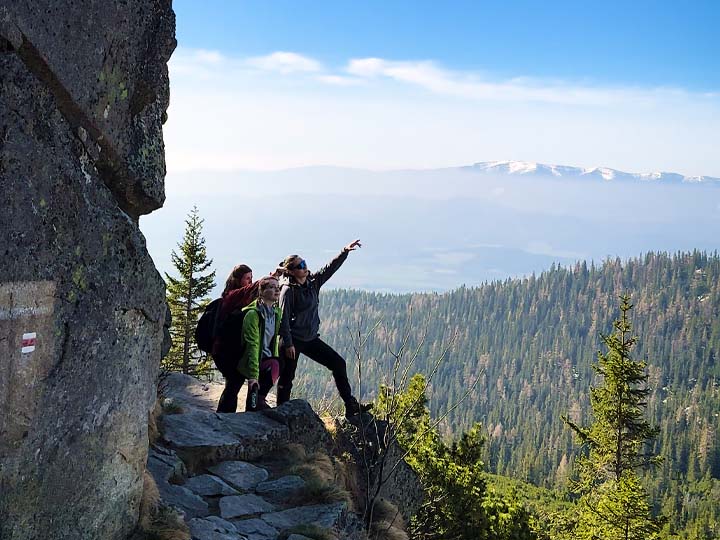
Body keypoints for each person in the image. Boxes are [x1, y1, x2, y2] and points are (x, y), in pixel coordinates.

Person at [277, 239, 371, 418]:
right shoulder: (287, 290)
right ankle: (281, 414)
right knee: (287, 378)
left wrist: (344, 251)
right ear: (291, 271)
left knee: (338, 363)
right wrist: (288, 344)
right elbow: (283, 320)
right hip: (293, 340)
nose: (305, 267)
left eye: (304, 263)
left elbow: (330, 268)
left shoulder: (313, 282)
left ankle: (350, 405)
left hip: (310, 338)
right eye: (300, 265)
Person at [216, 276, 282, 412]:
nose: (276, 290)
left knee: (276, 365)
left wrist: (273, 358)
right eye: (271, 287)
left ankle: (254, 407)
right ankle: (220, 423)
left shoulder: (276, 313)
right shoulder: (252, 314)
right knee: (232, 392)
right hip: (241, 359)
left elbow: (272, 342)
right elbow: (252, 345)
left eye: (278, 287)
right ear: (262, 292)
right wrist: (253, 375)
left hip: (261, 359)